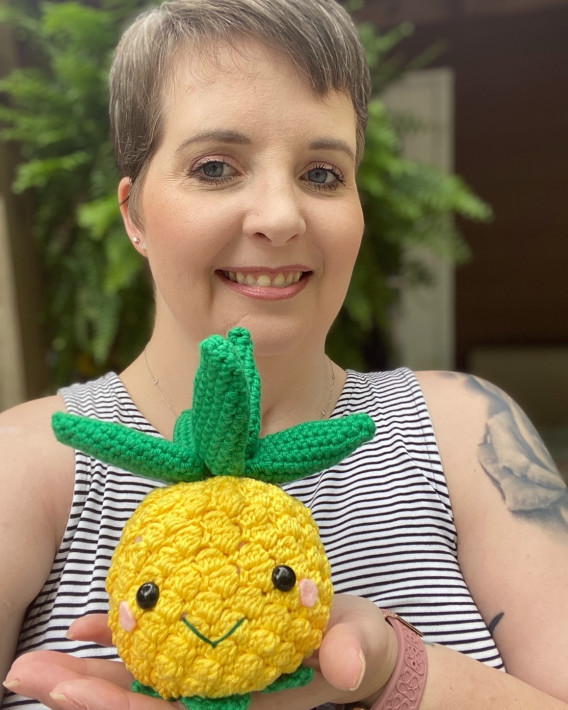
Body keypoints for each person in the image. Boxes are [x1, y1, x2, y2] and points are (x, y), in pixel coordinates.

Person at [1, 0, 568, 708]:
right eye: (215, 167)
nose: (280, 216)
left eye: (323, 173)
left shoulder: (464, 431)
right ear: (134, 214)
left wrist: (394, 673)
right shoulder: (24, 468)